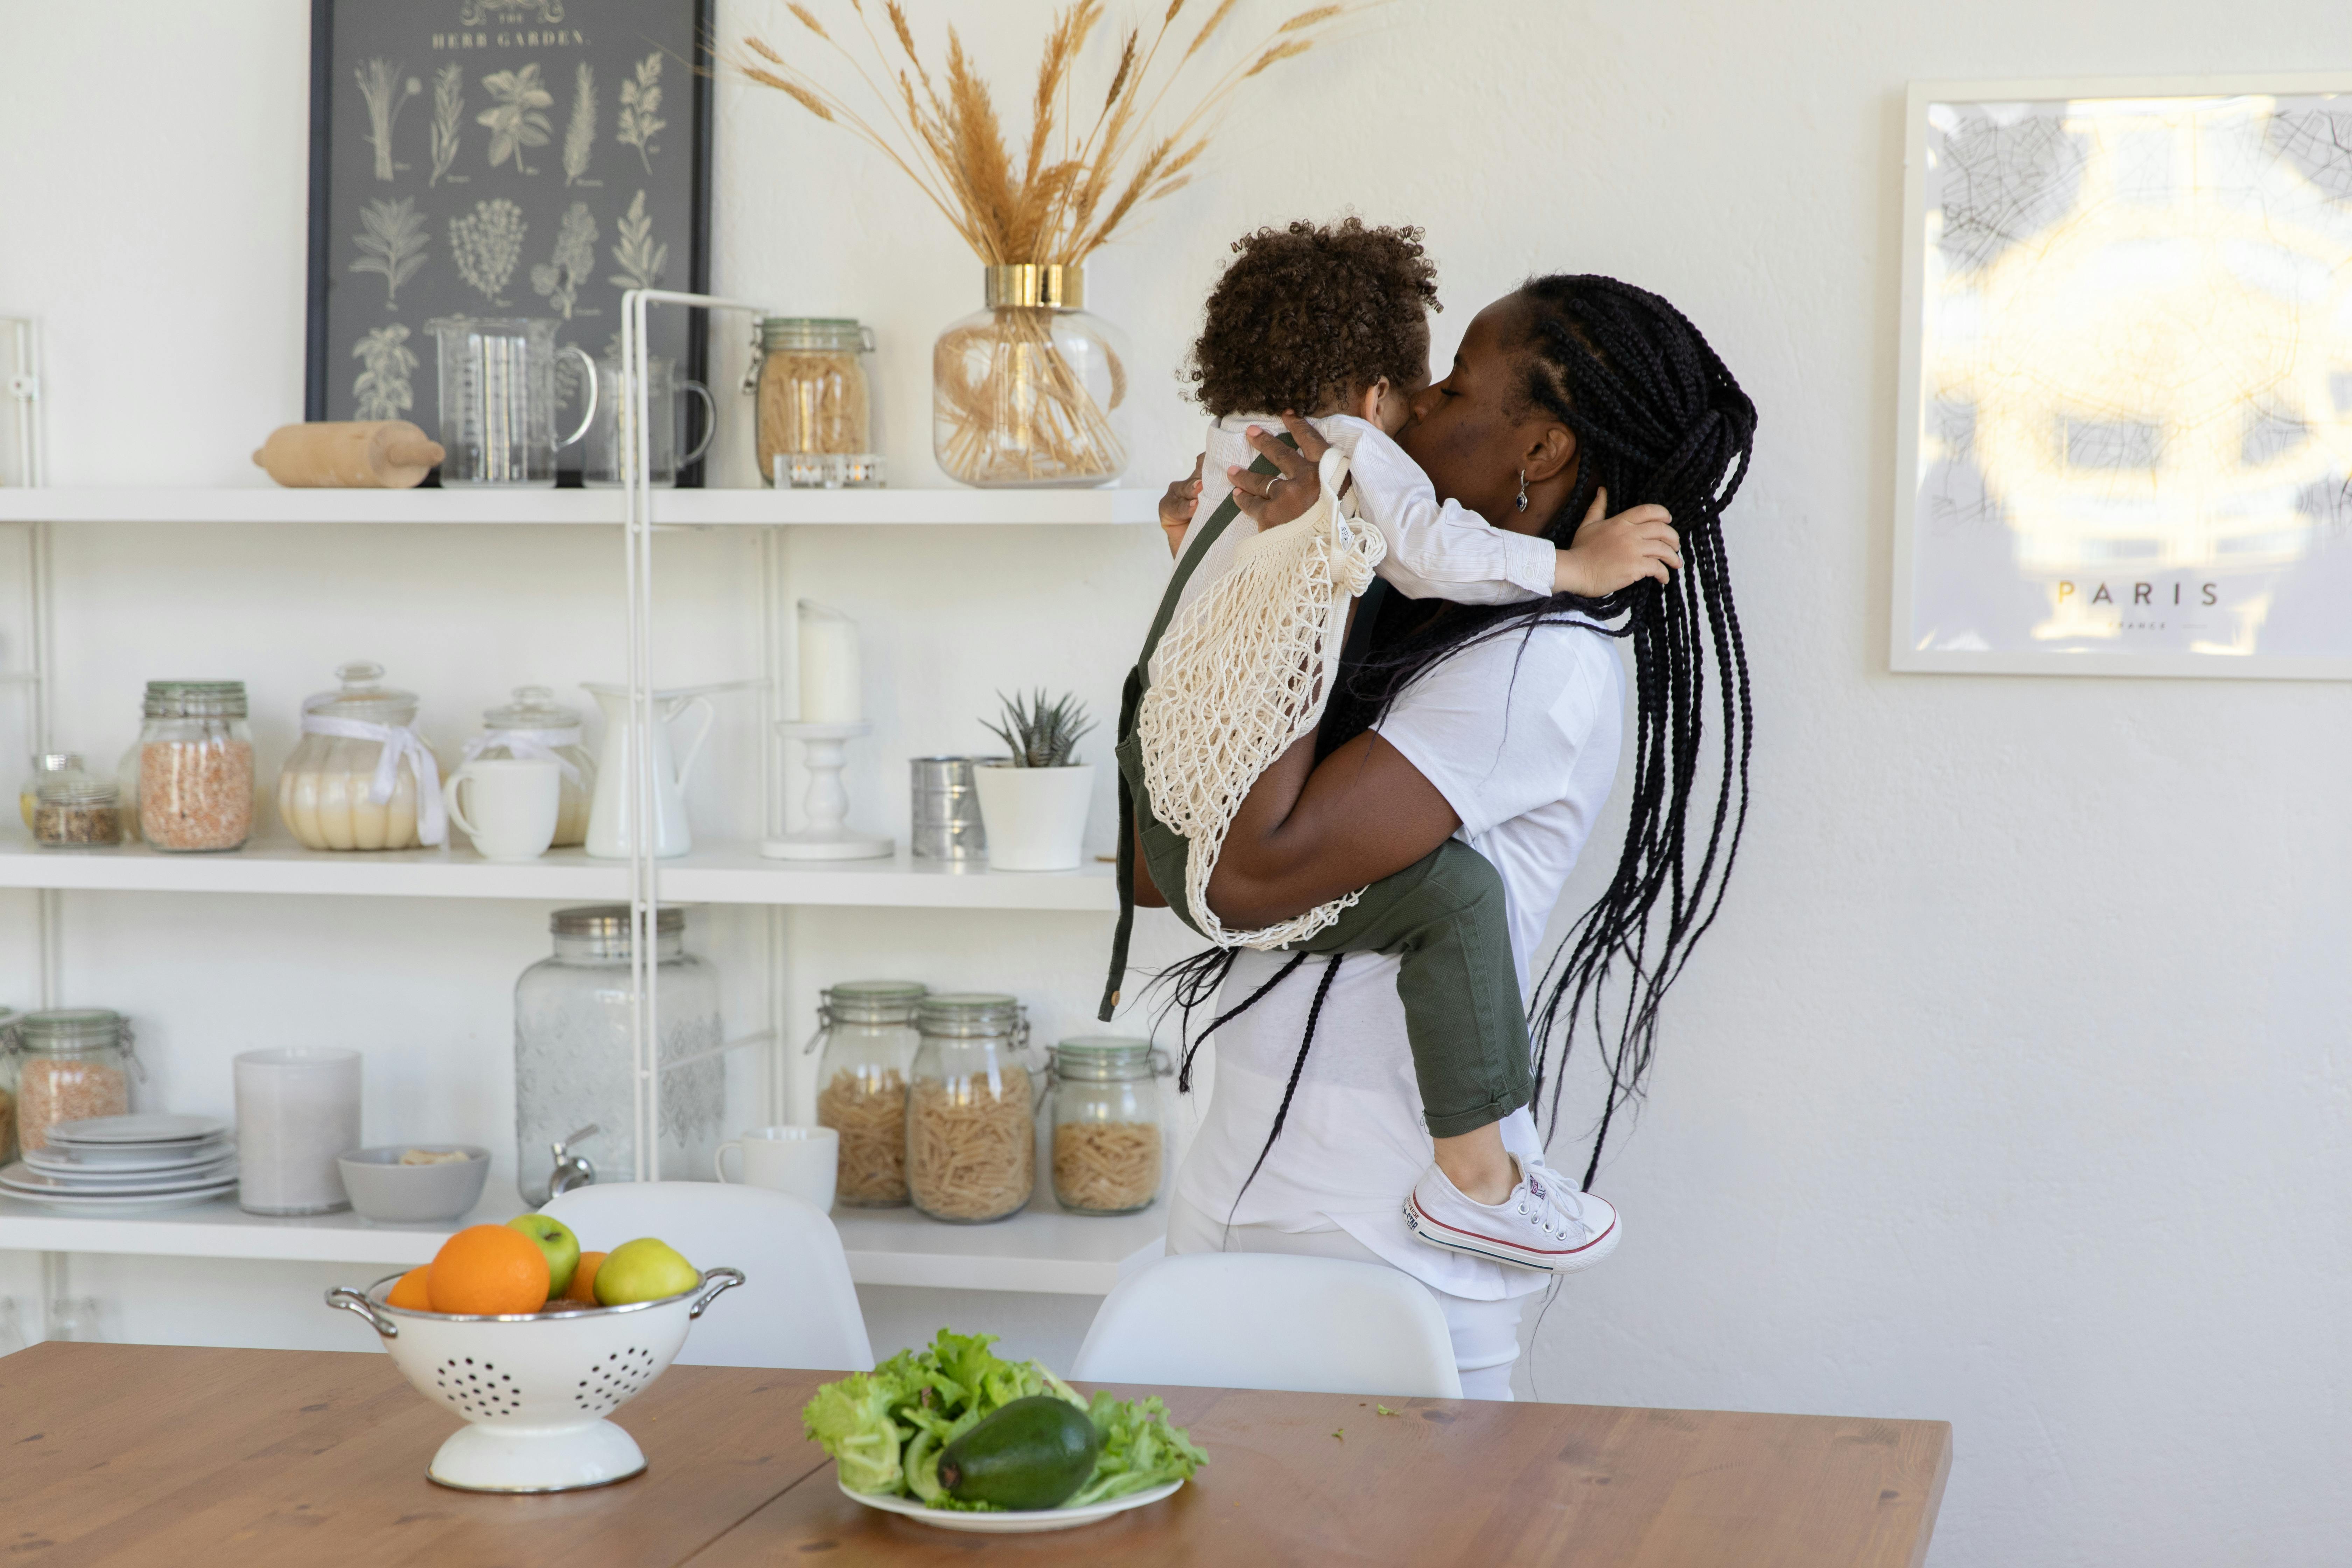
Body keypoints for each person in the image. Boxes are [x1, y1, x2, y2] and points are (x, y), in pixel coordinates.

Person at [1137, 275, 1757, 1397]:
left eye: (1456, 383)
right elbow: (1150, 865)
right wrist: (1220, 584)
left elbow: (1244, 872)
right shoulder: (1381, 604)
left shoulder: (1538, 667)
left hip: (1387, 1259)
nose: (1414, 405)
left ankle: (1480, 1186)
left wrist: (1287, 580)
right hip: (1227, 1211)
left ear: (1544, 453)